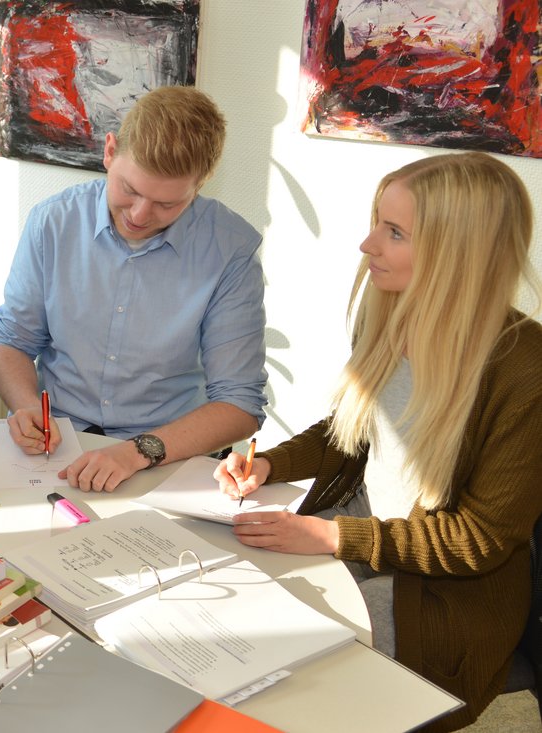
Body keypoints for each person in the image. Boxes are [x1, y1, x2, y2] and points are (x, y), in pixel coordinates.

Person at [215, 152, 542, 731]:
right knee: (230, 598)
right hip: (367, 527)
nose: (367, 245)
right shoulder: (389, 313)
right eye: (377, 225)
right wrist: (268, 464)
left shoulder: (524, 368)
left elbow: (480, 540)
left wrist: (331, 536)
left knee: (290, 671)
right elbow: (351, 429)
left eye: (394, 233)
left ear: (456, 252)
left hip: (446, 590)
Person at [0, 85, 267, 493]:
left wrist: (138, 451)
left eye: (167, 204)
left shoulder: (230, 251)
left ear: (198, 187)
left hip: (166, 455)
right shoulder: (53, 223)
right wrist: (28, 407)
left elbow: (239, 404)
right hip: (59, 445)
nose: (139, 214)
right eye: (130, 190)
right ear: (109, 151)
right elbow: (12, 342)